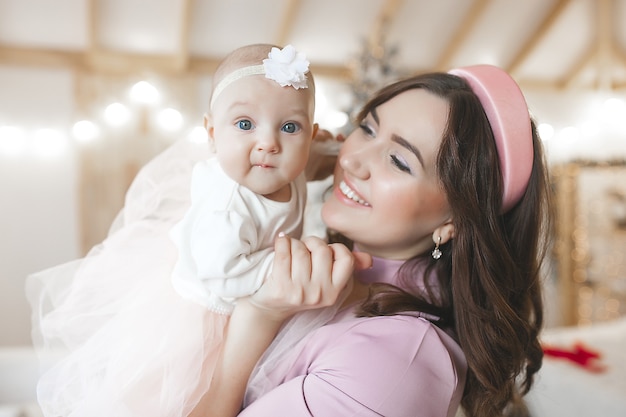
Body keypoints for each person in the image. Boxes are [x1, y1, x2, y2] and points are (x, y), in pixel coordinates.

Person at [189, 65, 553, 417]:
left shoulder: (394, 363)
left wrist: (259, 316)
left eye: (398, 160)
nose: (352, 160)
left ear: (453, 221)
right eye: (366, 129)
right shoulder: (324, 266)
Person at [26, 43, 318, 417]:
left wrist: (325, 153)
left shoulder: (284, 168)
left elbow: (305, 160)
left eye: (290, 127)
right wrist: (283, 268)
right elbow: (223, 272)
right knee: (179, 403)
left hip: (244, 309)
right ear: (212, 133)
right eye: (245, 124)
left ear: (311, 135)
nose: (268, 143)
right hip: (206, 319)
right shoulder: (225, 207)